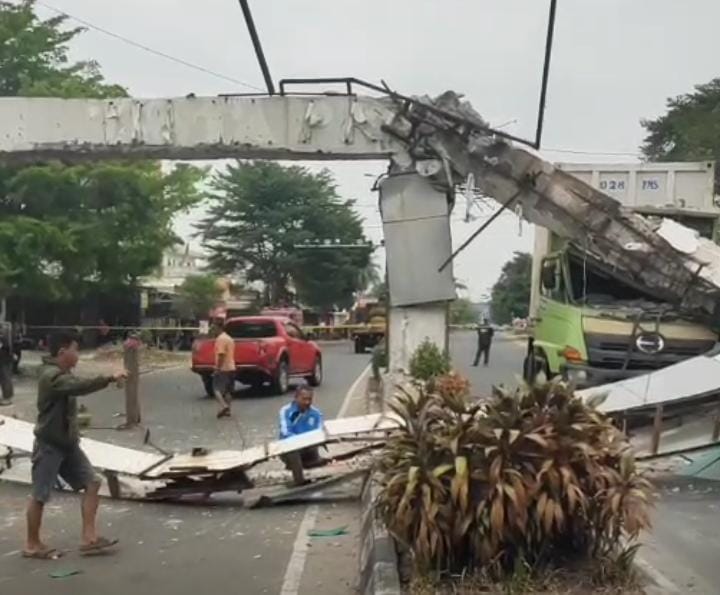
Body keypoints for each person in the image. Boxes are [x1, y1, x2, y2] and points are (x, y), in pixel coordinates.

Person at [24, 332, 127, 560]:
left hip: (68, 444)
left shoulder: (62, 374)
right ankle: (32, 544)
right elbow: (78, 386)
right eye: (75, 349)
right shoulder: (51, 376)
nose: (78, 354)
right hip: (49, 444)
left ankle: (89, 539)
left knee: (92, 483)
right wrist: (108, 378)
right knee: (40, 495)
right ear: (63, 352)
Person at [278, 385, 324, 468]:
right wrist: (301, 441)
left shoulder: (316, 413)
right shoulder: (286, 411)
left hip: (309, 449)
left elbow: (319, 432)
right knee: (293, 450)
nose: (307, 402)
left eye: (309, 399)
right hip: (291, 449)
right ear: (296, 398)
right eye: (304, 399)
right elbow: (286, 432)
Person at [213, 320, 235, 418]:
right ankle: (228, 410)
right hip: (231, 367)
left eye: (214, 328)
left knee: (216, 389)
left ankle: (224, 406)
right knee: (228, 391)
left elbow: (221, 354)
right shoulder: (229, 338)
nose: (213, 330)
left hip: (223, 368)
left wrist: (217, 368)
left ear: (218, 328)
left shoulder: (220, 339)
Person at [0, 326, 13, 405]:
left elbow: (5, 349)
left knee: (5, 378)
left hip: (3, 360)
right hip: (3, 359)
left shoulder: (2, 338)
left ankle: (7, 398)